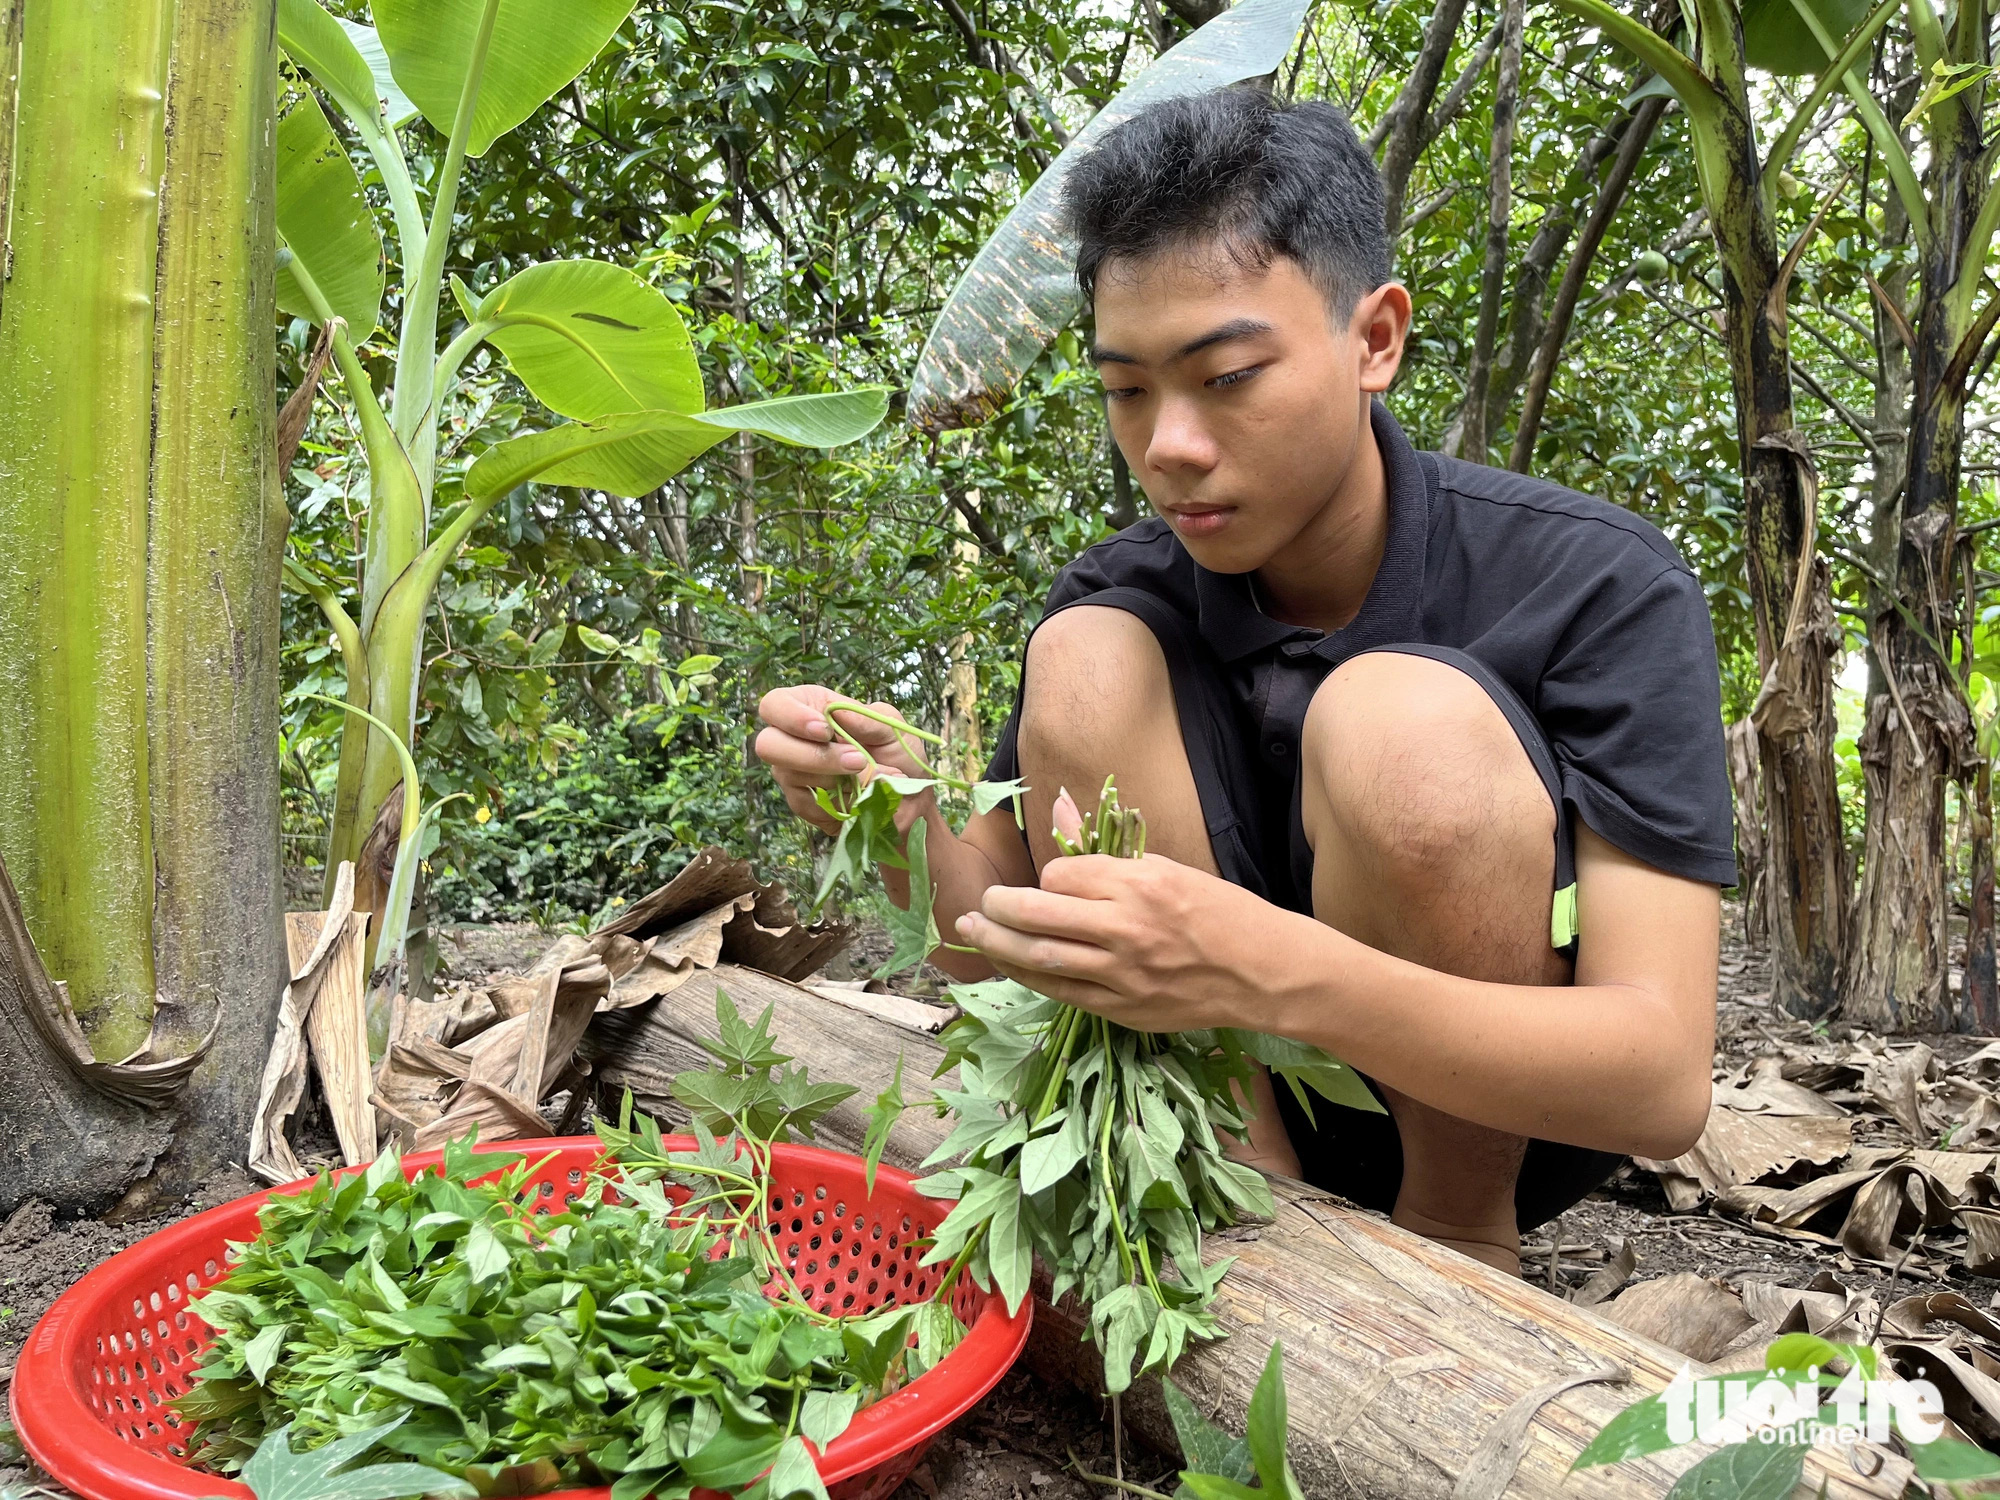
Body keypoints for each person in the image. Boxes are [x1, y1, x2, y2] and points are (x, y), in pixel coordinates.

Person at [753, 86, 1728, 1275]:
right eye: (1125, 389)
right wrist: (894, 813)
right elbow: (992, 941)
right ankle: (1250, 1234)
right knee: (1085, 658)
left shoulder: (1591, 582)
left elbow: (1658, 1082)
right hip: (1231, 1121)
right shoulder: (1123, 597)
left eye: (1223, 378)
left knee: (1401, 719)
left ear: (1373, 339)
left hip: (1505, 1114)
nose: (1166, 444)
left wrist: (1265, 970)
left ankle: (1459, 1245)